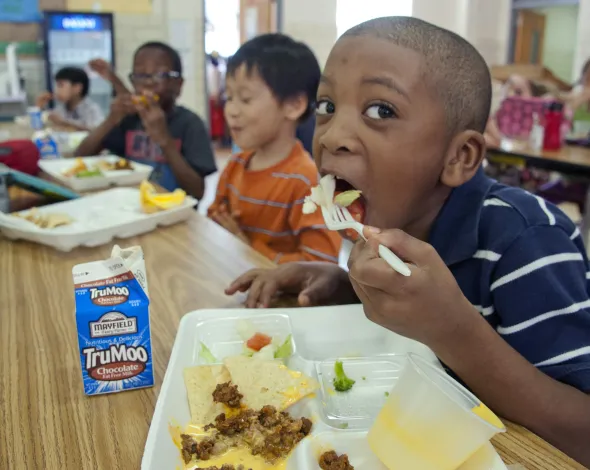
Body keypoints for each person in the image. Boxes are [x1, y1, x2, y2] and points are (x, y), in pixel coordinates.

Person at [225, 17, 590, 466]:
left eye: (381, 111)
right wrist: (342, 285)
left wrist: (452, 331)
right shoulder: (390, 222)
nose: (332, 137)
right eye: (326, 106)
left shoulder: (526, 240)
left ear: (458, 157)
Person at [208, 34, 341, 264]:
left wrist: (247, 247)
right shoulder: (236, 164)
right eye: (229, 97)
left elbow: (320, 264)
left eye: (245, 99)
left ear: (293, 105)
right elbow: (214, 219)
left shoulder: (305, 182)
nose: (231, 110)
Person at [76, 42, 216, 197]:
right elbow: (80, 157)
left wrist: (165, 141)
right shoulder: (128, 119)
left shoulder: (191, 124)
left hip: (173, 211)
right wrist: (110, 121)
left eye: (160, 75)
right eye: (141, 75)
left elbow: (197, 192)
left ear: (178, 84)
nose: (149, 83)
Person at [36, 67, 104, 131]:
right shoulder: (60, 108)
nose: (56, 90)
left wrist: (65, 123)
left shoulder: (91, 109)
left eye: (61, 86)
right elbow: (46, 128)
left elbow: (97, 131)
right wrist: (40, 107)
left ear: (77, 88)